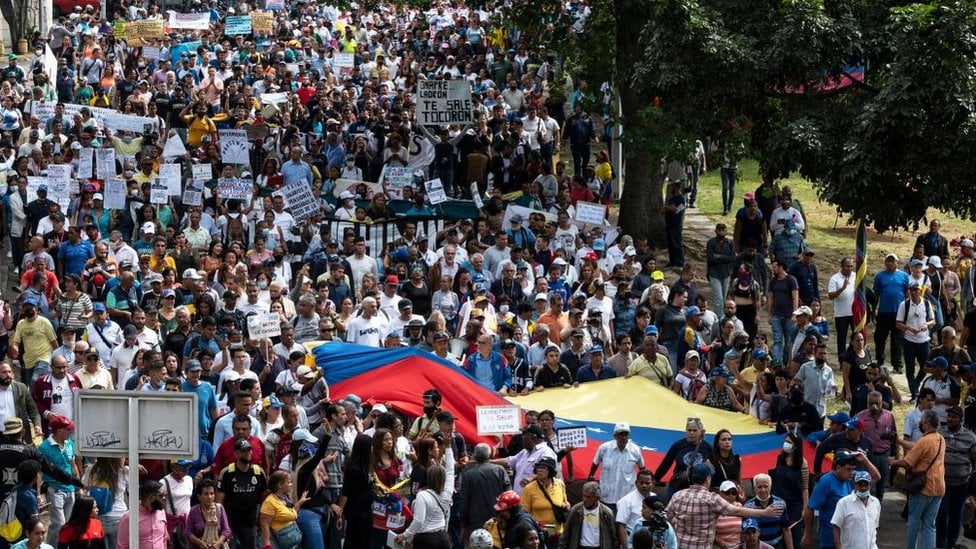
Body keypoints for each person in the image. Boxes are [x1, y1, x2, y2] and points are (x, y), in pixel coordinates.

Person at [665, 463, 782, 549]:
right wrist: (764, 512)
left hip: (680, 545)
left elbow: (668, 516)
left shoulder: (678, 495)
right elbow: (736, 511)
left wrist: (677, 525)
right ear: (708, 479)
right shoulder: (711, 499)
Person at [802, 450, 880, 549]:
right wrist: (807, 534)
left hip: (848, 538)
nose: (851, 473)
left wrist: (865, 460)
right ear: (838, 467)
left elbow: (876, 477)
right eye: (848, 469)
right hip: (829, 538)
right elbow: (810, 508)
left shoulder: (850, 477)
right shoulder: (826, 481)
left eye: (853, 469)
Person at [398, 443, 457, 548]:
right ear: (444, 479)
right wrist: (448, 447)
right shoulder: (447, 493)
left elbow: (419, 521)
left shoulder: (422, 495)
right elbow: (450, 470)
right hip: (443, 537)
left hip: (426, 539)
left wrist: (405, 535)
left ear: (429, 478)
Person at [934, 405, 976, 549]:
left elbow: (974, 461)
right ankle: (941, 544)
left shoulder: (970, 437)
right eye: (949, 416)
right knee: (942, 514)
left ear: (961, 420)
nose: (950, 419)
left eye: (954, 417)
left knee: (956, 515)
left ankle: (951, 543)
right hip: (943, 482)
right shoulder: (940, 434)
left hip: (962, 484)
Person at [215, 438, 268, 549]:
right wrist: (220, 523)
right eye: (243, 451)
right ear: (236, 453)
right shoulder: (227, 472)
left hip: (250, 522)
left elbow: (264, 496)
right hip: (230, 522)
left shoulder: (258, 472)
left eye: (249, 450)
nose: (248, 453)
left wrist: (260, 518)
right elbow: (219, 501)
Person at [587, 422, 644, 512]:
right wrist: (591, 476)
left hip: (626, 495)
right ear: (615, 435)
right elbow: (595, 463)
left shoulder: (635, 450)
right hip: (607, 495)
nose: (623, 437)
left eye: (626, 434)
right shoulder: (604, 448)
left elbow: (642, 468)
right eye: (620, 434)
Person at [459, 443, 510, 541]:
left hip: (476, 520)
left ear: (475, 456)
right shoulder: (500, 470)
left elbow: (464, 500)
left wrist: (463, 521)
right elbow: (508, 494)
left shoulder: (468, 474)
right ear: (490, 455)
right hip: (498, 518)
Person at [897, 281, 936, 401]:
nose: (914, 292)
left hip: (924, 340)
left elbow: (933, 321)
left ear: (921, 291)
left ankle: (916, 383)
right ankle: (914, 394)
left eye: (916, 290)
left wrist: (926, 325)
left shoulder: (926, 303)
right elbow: (898, 323)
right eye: (912, 290)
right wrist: (909, 328)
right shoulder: (904, 305)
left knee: (925, 367)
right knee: (910, 369)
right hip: (909, 340)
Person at [654, 418, 711, 499]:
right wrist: (655, 479)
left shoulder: (707, 447)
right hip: (678, 486)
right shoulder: (678, 445)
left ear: (700, 432)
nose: (691, 433)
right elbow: (666, 464)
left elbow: (714, 467)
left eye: (694, 430)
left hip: (697, 489)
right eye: (689, 430)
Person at [492, 425, 557, 496]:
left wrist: (532, 478)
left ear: (532, 437)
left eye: (524, 436)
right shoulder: (524, 452)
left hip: (536, 497)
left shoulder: (546, 452)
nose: (522, 438)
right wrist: (489, 462)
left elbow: (548, 471)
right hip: (520, 496)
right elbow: (509, 461)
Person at [874, 252, 910, 373]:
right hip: (884, 311)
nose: (890, 263)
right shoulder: (880, 276)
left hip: (898, 312)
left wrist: (907, 311)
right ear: (885, 263)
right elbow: (876, 294)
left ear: (897, 262)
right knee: (880, 337)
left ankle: (897, 364)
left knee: (897, 339)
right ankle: (880, 360)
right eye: (888, 261)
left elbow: (907, 294)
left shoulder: (904, 276)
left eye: (892, 261)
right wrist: (874, 310)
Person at [520, 457, 569, 543]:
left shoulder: (560, 484)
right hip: (539, 535)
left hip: (558, 534)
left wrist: (566, 505)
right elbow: (524, 513)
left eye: (544, 468)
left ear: (551, 471)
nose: (540, 470)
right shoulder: (529, 488)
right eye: (539, 467)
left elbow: (565, 502)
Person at [558, 482, 618, 549]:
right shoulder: (575, 511)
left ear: (597, 498)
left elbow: (614, 537)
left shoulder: (606, 513)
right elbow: (566, 534)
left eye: (588, 497)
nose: (584, 499)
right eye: (583, 496)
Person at [829, 471, 880, 549]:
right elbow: (836, 527)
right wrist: (839, 547)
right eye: (860, 485)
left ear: (870, 485)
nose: (863, 488)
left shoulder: (875, 502)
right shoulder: (844, 503)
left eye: (866, 484)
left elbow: (875, 527)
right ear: (855, 485)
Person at [259, 470, 308, 549]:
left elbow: (292, 513)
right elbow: (265, 525)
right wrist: (267, 545)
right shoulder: (269, 502)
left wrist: (300, 502)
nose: (291, 484)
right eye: (288, 482)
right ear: (279, 485)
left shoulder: (285, 498)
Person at [742, 474, 793, 549]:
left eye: (766, 486)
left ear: (770, 486)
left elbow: (786, 529)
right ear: (754, 488)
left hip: (777, 546)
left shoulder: (780, 503)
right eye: (759, 487)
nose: (763, 490)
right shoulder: (748, 507)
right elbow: (746, 533)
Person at [118, 481, 169, 549]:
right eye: (161, 495)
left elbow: (164, 538)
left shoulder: (161, 512)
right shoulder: (129, 517)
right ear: (151, 498)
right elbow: (122, 546)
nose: (164, 498)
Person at [613, 469, 656, 545]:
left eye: (647, 483)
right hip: (633, 542)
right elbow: (621, 526)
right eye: (641, 483)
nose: (644, 486)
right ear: (636, 483)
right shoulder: (626, 501)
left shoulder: (655, 498)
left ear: (653, 484)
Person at [184, 480, 231, 549]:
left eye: (212, 493)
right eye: (206, 494)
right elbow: (188, 532)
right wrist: (199, 542)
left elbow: (226, 530)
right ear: (199, 497)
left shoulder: (219, 508)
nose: (209, 497)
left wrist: (219, 542)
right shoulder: (194, 511)